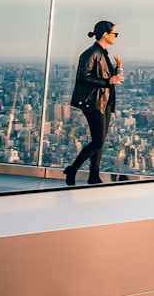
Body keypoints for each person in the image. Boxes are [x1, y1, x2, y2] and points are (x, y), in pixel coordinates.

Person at [63, 20, 124, 185]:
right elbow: (83, 76)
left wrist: (117, 69)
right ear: (105, 34)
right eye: (115, 34)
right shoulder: (91, 53)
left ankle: (94, 175)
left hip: (104, 101)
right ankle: (73, 169)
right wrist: (107, 82)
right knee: (98, 141)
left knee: (100, 140)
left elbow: (109, 78)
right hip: (94, 101)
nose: (116, 37)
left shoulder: (103, 53)